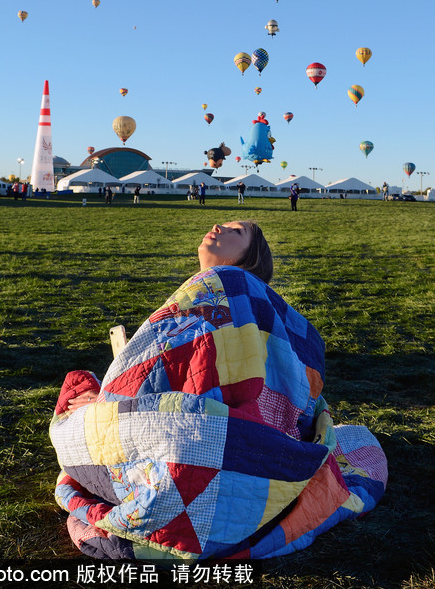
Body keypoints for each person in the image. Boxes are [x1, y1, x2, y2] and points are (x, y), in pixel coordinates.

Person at [50, 221, 387, 562]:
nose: (217, 227)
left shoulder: (233, 283)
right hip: (212, 434)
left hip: (210, 433)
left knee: (94, 414)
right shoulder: (204, 295)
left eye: (235, 231)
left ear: (250, 257)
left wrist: (106, 404)